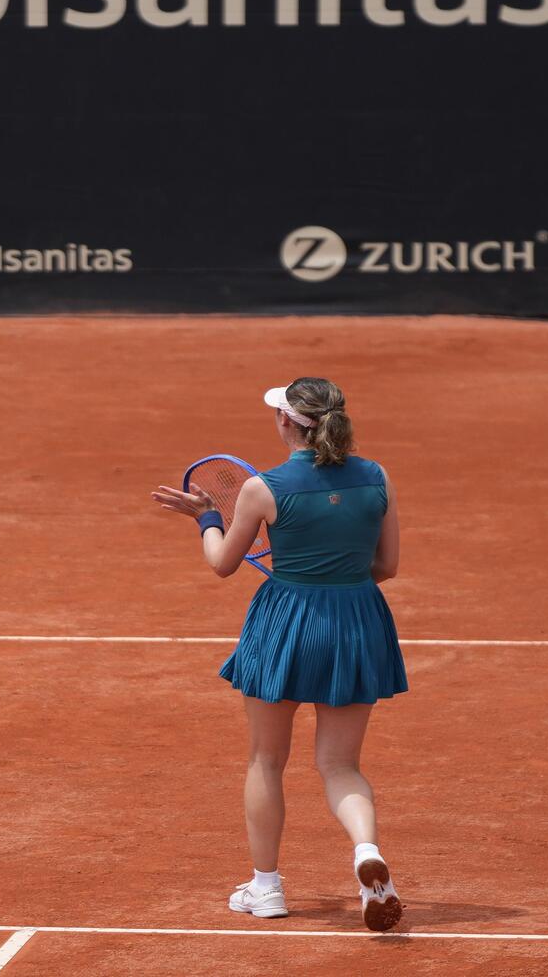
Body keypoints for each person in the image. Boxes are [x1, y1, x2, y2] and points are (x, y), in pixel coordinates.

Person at [151, 378, 409, 932]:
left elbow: (223, 563)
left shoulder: (261, 489)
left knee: (266, 760)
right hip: (357, 622)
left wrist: (204, 518)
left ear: (287, 423)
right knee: (341, 765)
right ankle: (366, 851)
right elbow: (386, 566)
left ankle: (265, 888)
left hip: (286, 624)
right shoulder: (378, 477)